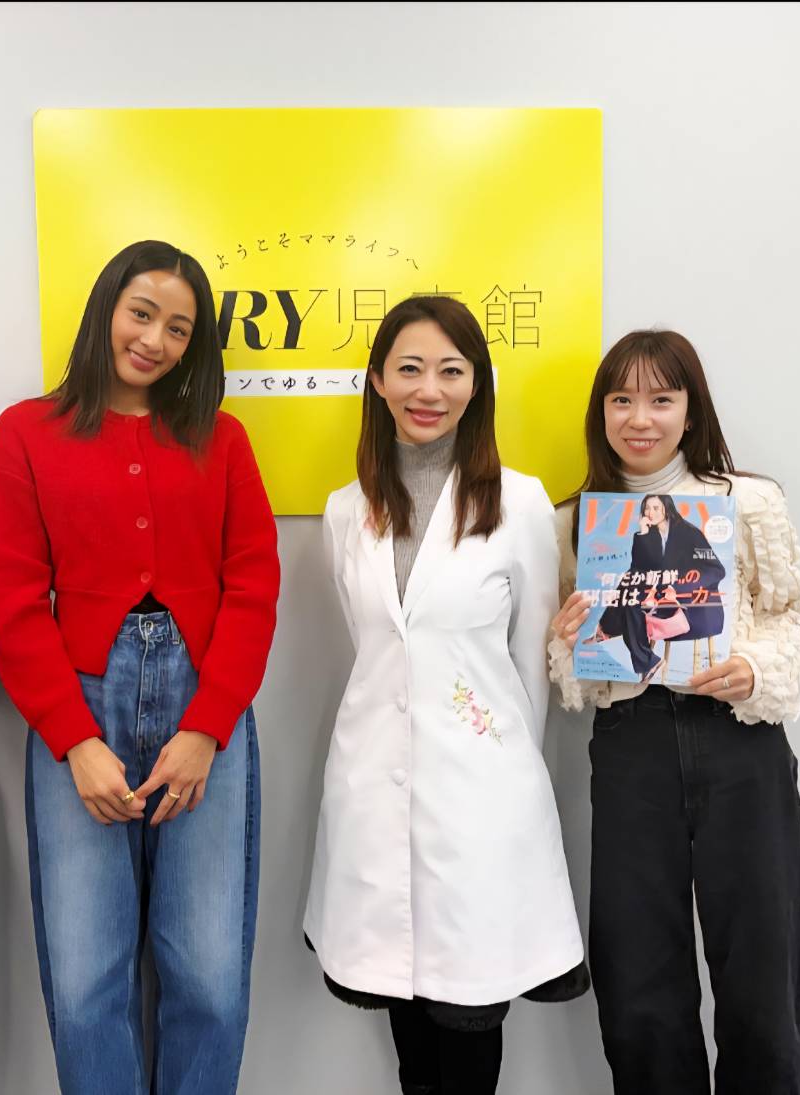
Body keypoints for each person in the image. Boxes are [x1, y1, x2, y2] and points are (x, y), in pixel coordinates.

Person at [0, 240, 280, 1095]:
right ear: (105, 308)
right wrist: (74, 741)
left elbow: (254, 584)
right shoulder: (25, 433)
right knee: (84, 983)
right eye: (141, 314)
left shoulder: (221, 439)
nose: (154, 340)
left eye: (178, 328)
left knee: (209, 977)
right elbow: (13, 598)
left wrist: (206, 729)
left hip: (205, 707)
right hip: (76, 706)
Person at [304, 296, 588, 1095]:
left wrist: (493, 759)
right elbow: (376, 650)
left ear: (476, 384)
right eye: (409, 368)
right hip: (372, 785)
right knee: (404, 1012)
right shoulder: (345, 510)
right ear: (377, 380)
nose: (428, 389)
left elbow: (529, 664)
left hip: (481, 797)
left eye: (450, 371)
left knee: (468, 1017)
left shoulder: (520, 503)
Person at [549, 329, 800, 1094]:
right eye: (621, 399)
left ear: (689, 408)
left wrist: (754, 668)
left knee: (762, 959)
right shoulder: (576, 520)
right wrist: (568, 642)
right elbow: (571, 666)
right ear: (600, 413)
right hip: (630, 743)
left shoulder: (746, 502)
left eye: (660, 399)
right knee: (637, 968)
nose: (639, 418)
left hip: (737, 739)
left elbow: (794, 613)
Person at [589, 492, 727, 683]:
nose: (650, 513)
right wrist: (643, 534)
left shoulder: (689, 533)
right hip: (658, 596)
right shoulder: (651, 533)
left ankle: (608, 630)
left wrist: (678, 588)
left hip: (689, 602)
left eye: (655, 508)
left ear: (667, 509)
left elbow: (716, 570)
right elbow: (639, 567)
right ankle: (643, 658)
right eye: (646, 508)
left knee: (631, 598)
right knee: (632, 585)